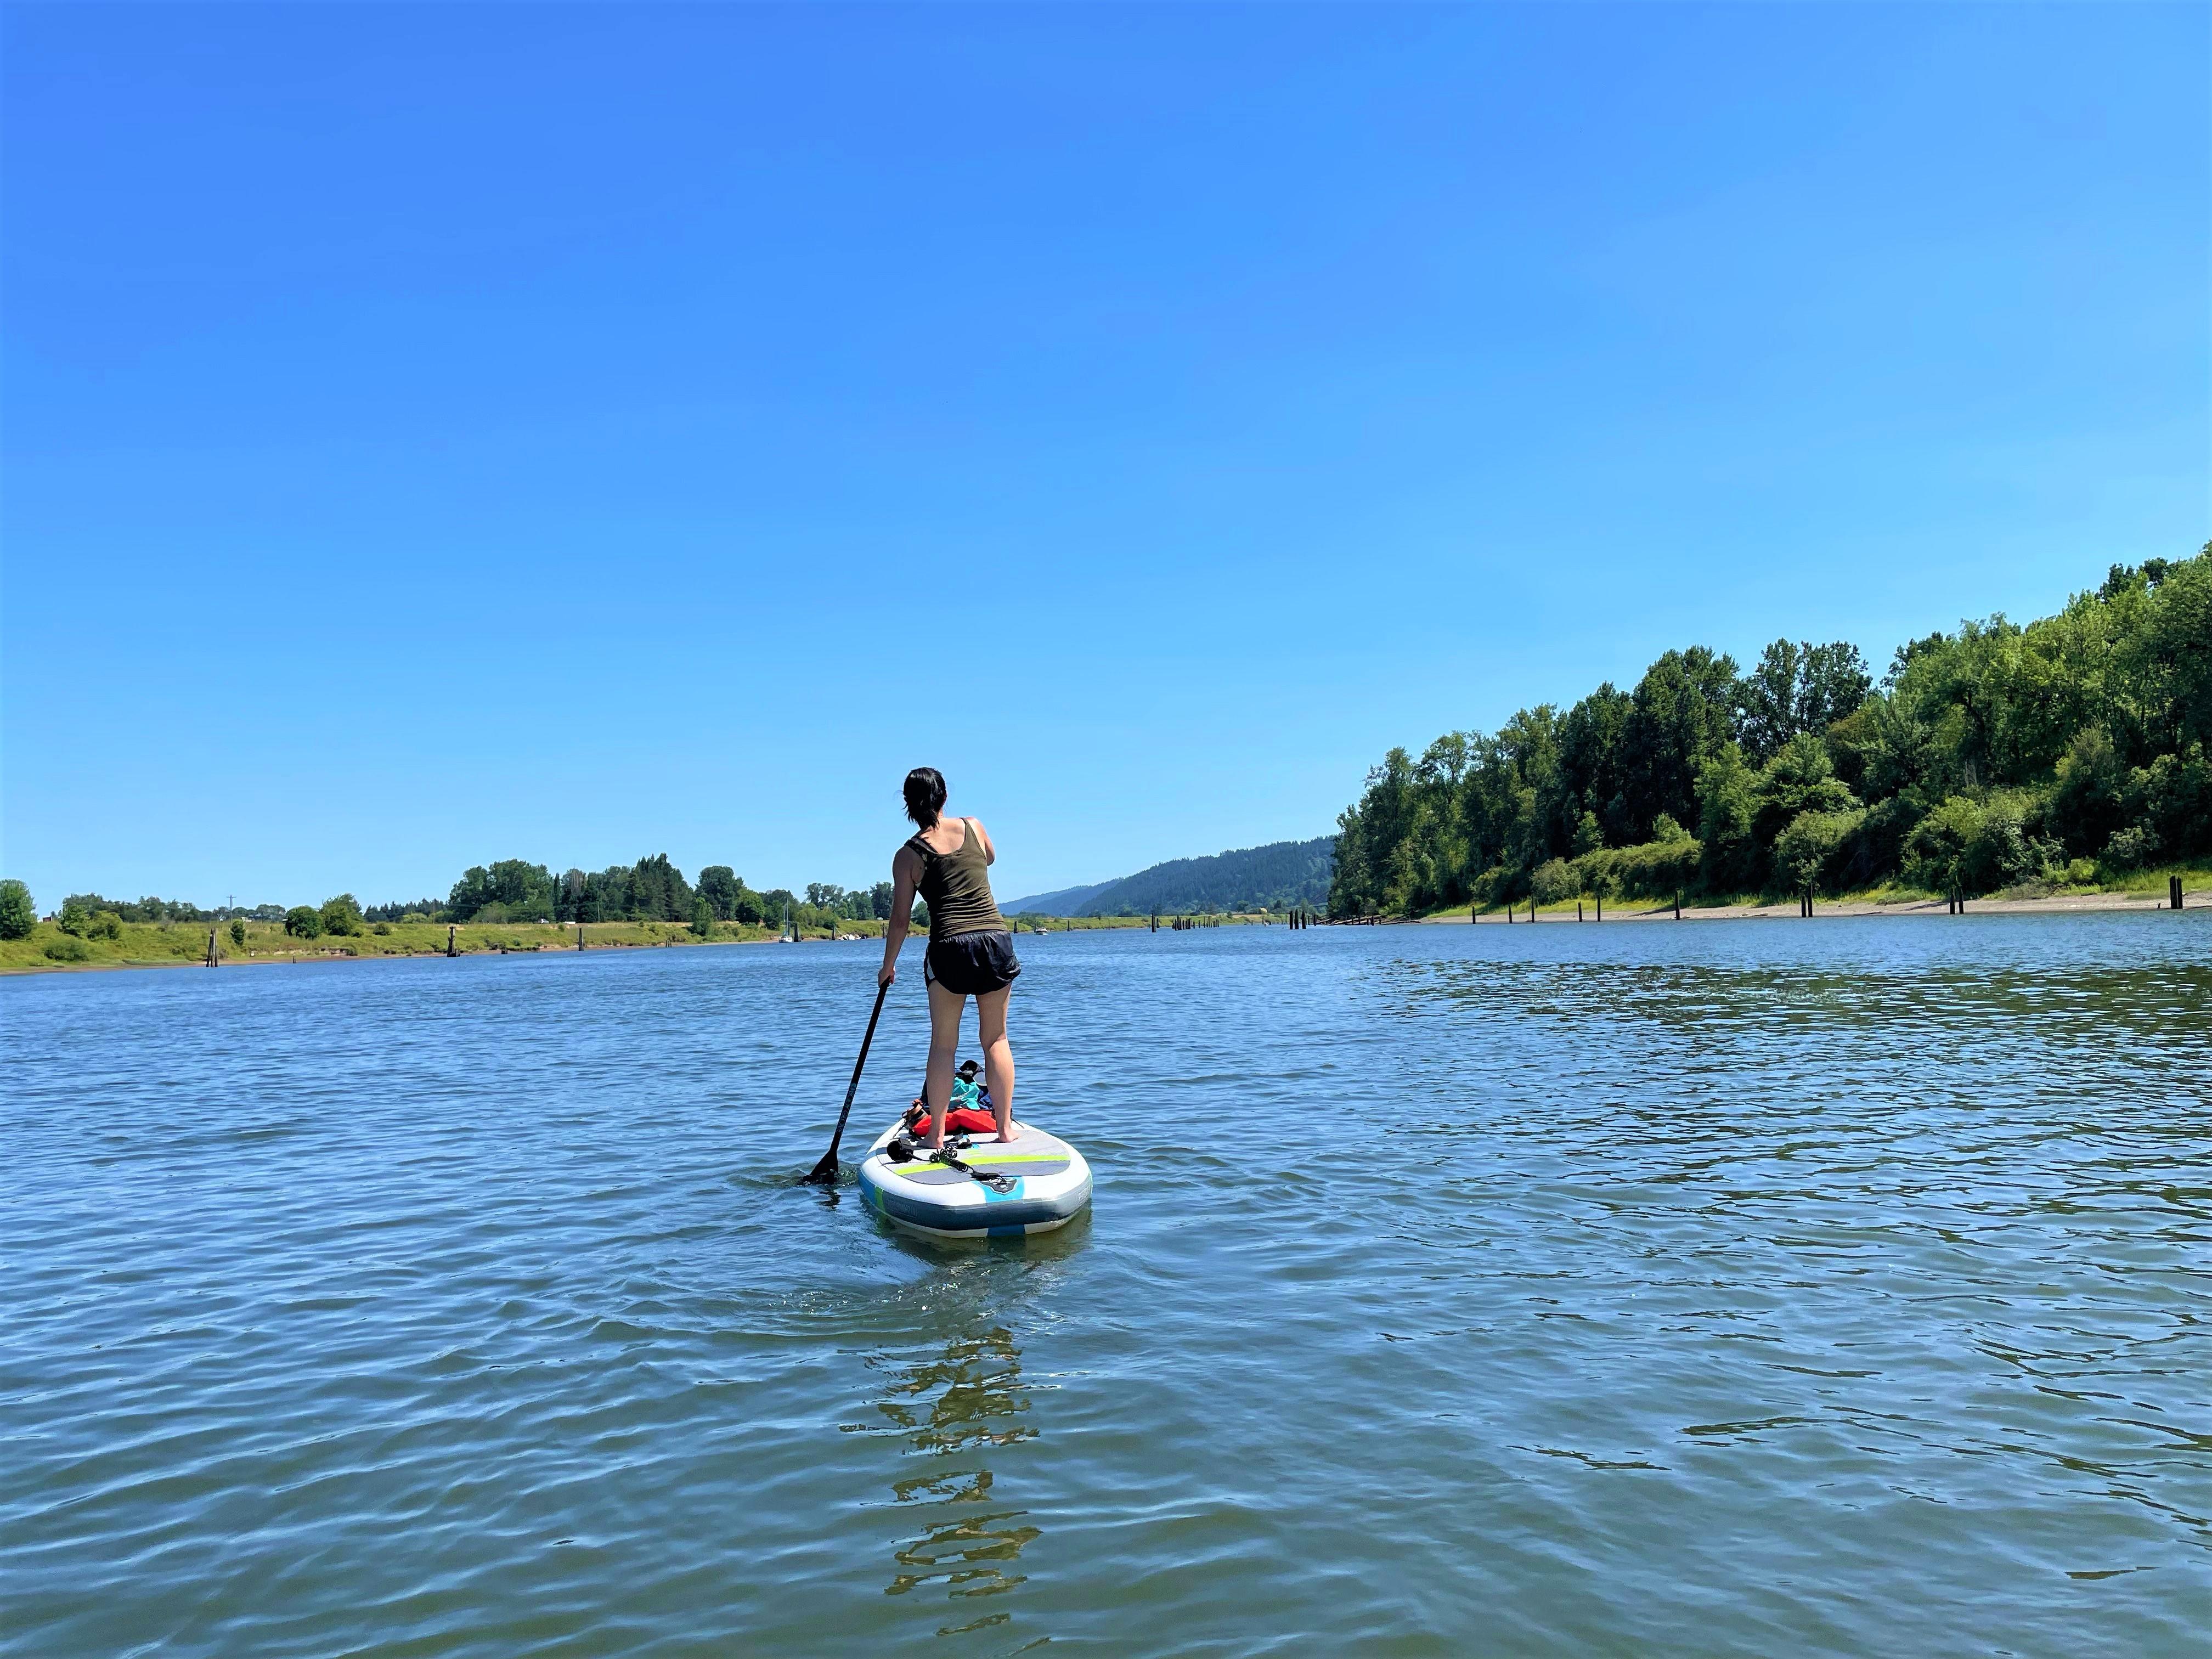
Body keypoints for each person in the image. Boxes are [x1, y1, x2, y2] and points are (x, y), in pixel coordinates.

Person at [879, 767, 1021, 1148]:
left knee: (944, 1044)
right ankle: (1005, 1130)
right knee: (996, 1039)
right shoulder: (974, 826)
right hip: (994, 940)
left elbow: (900, 920)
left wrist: (888, 965)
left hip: (949, 947)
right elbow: (989, 858)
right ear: (944, 797)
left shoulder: (908, 855)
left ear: (908, 805)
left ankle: (937, 1135)